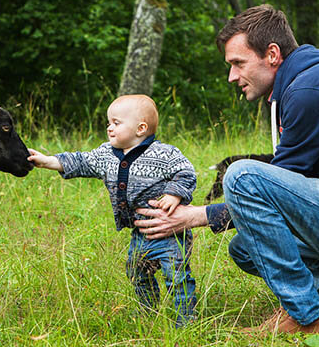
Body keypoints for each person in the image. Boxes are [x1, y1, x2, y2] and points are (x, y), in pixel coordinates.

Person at [135, 4, 319, 334]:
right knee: (244, 248)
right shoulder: (306, 82)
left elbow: (272, 188)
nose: (232, 76)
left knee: (241, 175)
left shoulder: (311, 88)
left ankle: (307, 316)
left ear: (272, 54)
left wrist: (195, 216)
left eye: (238, 63)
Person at [27, 94, 198, 327]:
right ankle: (149, 313)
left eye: (116, 123)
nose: (109, 128)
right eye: (109, 123)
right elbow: (81, 161)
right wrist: (48, 161)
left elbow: (186, 172)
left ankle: (186, 320)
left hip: (170, 230)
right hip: (140, 232)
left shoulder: (164, 154)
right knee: (137, 273)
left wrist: (175, 193)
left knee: (176, 277)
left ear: (141, 128)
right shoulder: (106, 154)